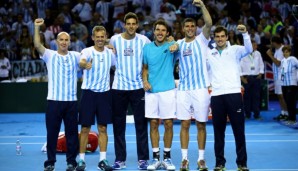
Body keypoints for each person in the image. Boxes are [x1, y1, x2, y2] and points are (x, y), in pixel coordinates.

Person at [34, 18, 80, 171]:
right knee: (52, 134)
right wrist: (36, 27)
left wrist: (107, 46)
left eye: (67, 40)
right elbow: (37, 45)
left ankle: (71, 162)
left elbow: (91, 53)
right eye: (61, 39)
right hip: (54, 101)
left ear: (70, 42)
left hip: (71, 102)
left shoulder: (76, 55)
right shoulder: (49, 55)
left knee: (72, 135)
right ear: (56, 41)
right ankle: (50, 162)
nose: (64, 42)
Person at [206, 24, 252, 171]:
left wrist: (245, 34)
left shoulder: (235, 50)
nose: (220, 39)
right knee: (218, 132)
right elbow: (204, 71)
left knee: (239, 131)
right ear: (214, 38)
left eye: (222, 36)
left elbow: (249, 49)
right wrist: (208, 84)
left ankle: (242, 163)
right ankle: (220, 163)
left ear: (227, 37)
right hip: (217, 96)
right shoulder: (209, 53)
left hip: (234, 94)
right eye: (217, 37)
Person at [109, 12, 150, 170]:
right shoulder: (115, 40)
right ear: (124, 25)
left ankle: (143, 159)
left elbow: (151, 55)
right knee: (119, 125)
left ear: (137, 25)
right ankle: (120, 159)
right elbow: (104, 46)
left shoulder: (144, 40)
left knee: (141, 124)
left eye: (134, 24)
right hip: (119, 88)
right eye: (129, 24)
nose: (131, 26)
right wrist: (106, 45)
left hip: (138, 88)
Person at [175, 0, 212, 170]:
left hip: (200, 89)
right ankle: (184, 159)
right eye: (187, 26)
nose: (190, 28)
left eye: (192, 26)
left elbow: (209, 23)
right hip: (183, 89)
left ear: (195, 28)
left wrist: (202, 6)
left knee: (201, 124)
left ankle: (201, 159)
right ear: (183, 29)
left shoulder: (202, 40)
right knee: (184, 124)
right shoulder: (178, 45)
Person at [76, 26, 115, 171]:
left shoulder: (110, 54)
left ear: (105, 37)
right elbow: (81, 62)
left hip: (104, 94)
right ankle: (81, 160)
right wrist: (85, 65)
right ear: (93, 38)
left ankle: (103, 160)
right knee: (85, 128)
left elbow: (117, 66)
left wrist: (111, 46)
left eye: (102, 37)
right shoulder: (87, 51)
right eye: (97, 37)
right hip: (89, 93)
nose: (100, 39)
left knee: (103, 128)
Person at [142, 19, 178, 171]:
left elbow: (178, 46)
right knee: (154, 124)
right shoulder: (147, 48)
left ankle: (167, 157)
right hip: (151, 92)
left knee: (168, 124)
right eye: (158, 30)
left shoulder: (172, 47)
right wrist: (145, 80)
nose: (160, 32)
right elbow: (145, 68)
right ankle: (156, 158)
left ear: (167, 33)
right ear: (154, 31)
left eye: (163, 30)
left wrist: (175, 42)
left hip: (168, 90)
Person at [240, 40, 264, 120]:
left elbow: (261, 64)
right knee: (246, 97)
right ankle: (247, 114)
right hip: (246, 78)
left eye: (256, 45)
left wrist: (260, 74)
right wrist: (242, 78)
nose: (255, 47)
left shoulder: (258, 53)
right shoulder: (242, 54)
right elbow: (238, 66)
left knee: (256, 97)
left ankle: (257, 114)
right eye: (254, 45)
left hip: (256, 77)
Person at [266, 36, 288, 120]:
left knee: (281, 95)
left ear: (275, 42)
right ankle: (283, 113)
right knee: (279, 95)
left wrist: (270, 55)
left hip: (281, 76)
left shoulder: (282, 49)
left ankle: (287, 113)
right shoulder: (277, 50)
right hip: (277, 75)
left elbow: (278, 63)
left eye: (271, 42)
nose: (271, 44)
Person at [279, 45, 298, 125]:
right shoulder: (282, 61)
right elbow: (282, 72)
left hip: (292, 83)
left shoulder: (293, 59)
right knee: (287, 101)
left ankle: (292, 119)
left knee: (291, 102)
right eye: (283, 52)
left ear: (290, 52)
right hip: (284, 84)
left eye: (286, 52)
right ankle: (290, 118)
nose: (285, 53)